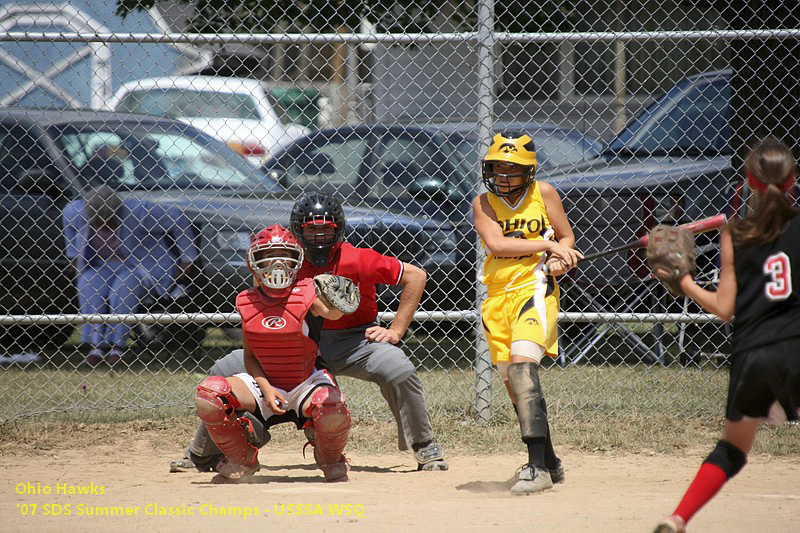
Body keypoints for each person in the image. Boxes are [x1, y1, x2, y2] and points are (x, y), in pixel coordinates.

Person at [171, 191, 448, 473]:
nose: (318, 237)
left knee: (398, 367)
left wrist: (396, 330)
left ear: (338, 229)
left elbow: (416, 275)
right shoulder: (288, 259)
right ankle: (201, 452)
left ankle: (424, 446)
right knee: (222, 370)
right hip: (293, 343)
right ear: (297, 232)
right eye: (311, 229)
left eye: (325, 230)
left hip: (353, 342)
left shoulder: (356, 259)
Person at [653, 137, 800, 533]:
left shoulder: (734, 234)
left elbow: (723, 309)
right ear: (793, 180)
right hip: (795, 346)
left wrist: (684, 281)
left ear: (748, 180)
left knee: (731, 449)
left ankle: (678, 518)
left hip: (751, 353)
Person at [197, 224, 354, 483]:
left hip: (305, 382)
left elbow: (331, 314)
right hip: (265, 383)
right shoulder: (247, 301)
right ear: (254, 261)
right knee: (210, 395)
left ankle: (330, 459)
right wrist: (267, 390)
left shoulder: (307, 292)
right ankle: (242, 460)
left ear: (297, 259)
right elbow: (250, 358)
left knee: (332, 405)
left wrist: (340, 304)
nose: (277, 264)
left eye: (285, 256)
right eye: (269, 256)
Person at [472, 132, 583, 494]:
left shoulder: (544, 194)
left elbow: (567, 237)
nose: (503, 176)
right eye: (497, 167)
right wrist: (548, 244)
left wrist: (559, 256)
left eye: (512, 168)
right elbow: (497, 244)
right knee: (517, 390)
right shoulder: (483, 203)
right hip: (497, 299)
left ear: (530, 171)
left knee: (523, 368)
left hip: (535, 290)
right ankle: (550, 461)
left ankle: (536, 469)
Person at [62, 185, 197, 366]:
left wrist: (187, 258)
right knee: (88, 285)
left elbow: (177, 218)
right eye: (96, 220)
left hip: (142, 265)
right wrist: (73, 255)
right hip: (102, 264)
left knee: (123, 288)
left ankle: (117, 346)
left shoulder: (139, 210)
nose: (103, 224)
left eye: (108, 219)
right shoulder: (75, 211)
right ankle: (96, 346)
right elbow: (70, 229)